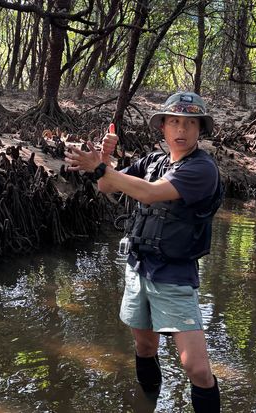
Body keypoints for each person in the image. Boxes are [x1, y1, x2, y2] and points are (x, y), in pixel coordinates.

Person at [64, 92, 222, 413]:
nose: (181, 130)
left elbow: (149, 193)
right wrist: (105, 159)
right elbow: (107, 186)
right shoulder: (152, 162)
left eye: (190, 124)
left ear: (200, 129)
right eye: (174, 122)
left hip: (174, 274)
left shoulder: (202, 169)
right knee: (145, 346)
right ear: (163, 126)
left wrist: (100, 168)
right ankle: (147, 404)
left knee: (196, 368)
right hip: (138, 267)